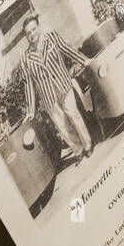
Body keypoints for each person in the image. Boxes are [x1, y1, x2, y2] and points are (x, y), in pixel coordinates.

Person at [20, 15, 93, 163]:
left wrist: (84, 60)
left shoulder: (51, 37)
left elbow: (66, 49)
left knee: (73, 114)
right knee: (62, 125)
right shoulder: (25, 59)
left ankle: (88, 145)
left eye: (34, 29)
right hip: (48, 96)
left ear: (38, 27)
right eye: (28, 32)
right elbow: (28, 84)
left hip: (63, 85)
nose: (32, 34)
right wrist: (30, 110)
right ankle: (77, 150)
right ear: (26, 36)